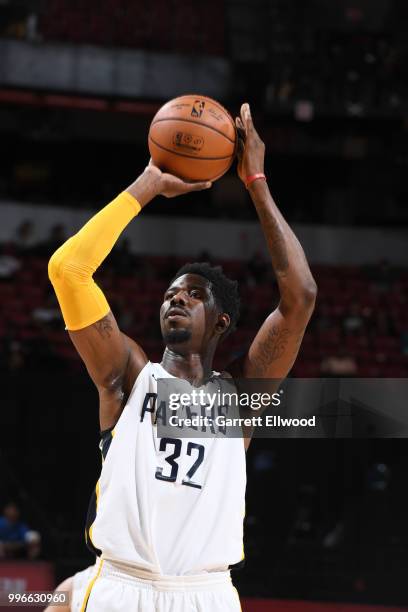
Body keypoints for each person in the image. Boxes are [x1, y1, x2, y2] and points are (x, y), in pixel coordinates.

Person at [48, 103, 316, 612]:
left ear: (221, 322)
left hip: (206, 594)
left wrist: (255, 181)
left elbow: (300, 296)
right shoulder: (127, 378)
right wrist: (147, 184)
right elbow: (68, 271)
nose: (176, 297)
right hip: (120, 587)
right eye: (172, 292)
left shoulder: (240, 398)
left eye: (194, 294)